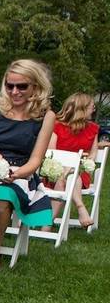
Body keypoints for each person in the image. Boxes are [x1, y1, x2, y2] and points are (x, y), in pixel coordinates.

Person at [0, 60, 55, 269]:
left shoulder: (46, 117)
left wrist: (15, 174)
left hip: (21, 173)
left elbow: (36, 160)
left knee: (2, 199)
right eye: (10, 86)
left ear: (36, 86)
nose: (15, 91)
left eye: (22, 86)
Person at [47, 92, 99, 227]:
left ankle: (46, 225)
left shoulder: (93, 129)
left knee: (70, 176)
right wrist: (64, 168)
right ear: (81, 108)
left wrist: (80, 165)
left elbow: (92, 154)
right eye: (91, 107)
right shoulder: (57, 126)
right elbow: (51, 153)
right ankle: (81, 208)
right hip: (55, 170)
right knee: (64, 177)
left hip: (80, 173)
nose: (94, 110)